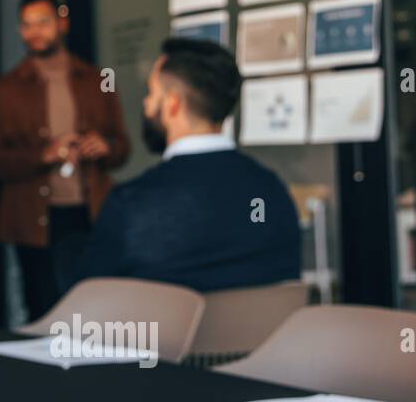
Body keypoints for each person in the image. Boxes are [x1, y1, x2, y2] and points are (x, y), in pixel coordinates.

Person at [71, 37, 301, 291]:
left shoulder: (131, 205)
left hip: (164, 332)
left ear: (173, 103)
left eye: (151, 93)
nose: (146, 104)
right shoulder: (271, 192)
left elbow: (85, 298)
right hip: (260, 332)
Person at [0, 0, 128, 321]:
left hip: (92, 212)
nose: (34, 32)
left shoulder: (99, 80)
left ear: (62, 22)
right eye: (26, 25)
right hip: (34, 219)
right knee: (43, 310)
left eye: (42, 22)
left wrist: (106, 147)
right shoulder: (4, 89)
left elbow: (123, 148)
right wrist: (41, 155)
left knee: (96, 308)